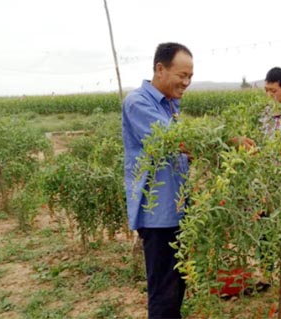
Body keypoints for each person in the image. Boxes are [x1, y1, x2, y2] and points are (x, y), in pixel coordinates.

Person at [122, 42, 193, 319]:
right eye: (182, 75)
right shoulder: (138, 102)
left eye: (190, 76)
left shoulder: (171, 106)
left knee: (177, 287)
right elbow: (177, 141)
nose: (186, 82)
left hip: (178, 211)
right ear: (160, 69)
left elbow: (182, 151)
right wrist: (226, 142)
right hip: (158, 216)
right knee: (164, 292)